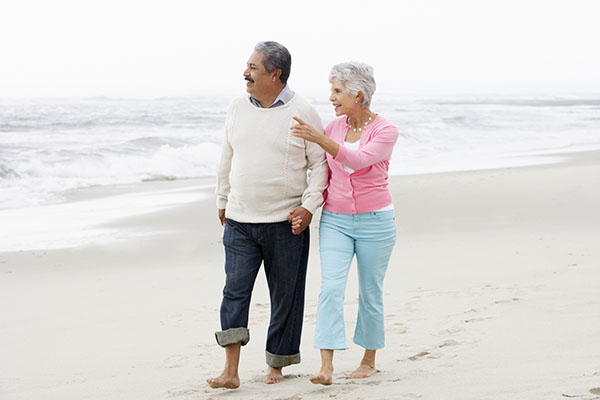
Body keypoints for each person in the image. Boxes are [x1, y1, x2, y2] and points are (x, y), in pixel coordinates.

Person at [207, 41, 328, 389]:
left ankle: (277, 363)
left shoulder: (303, 111)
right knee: (234, 292)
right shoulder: (236, 107)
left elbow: (320, 165)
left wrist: (308, 206)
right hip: (241, 221)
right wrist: (222, 198)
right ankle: (230, 371)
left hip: (284, 223)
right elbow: (226, 156)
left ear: (275, 75)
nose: (245, 73)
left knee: (286, 297)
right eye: (247, 66)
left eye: (253, 68)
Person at [290, 61, 399, 385]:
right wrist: (306, 204)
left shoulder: (385, 131)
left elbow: (358, 158)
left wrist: (319, 139)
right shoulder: (333, 128)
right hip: (336, 220)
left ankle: (368, 360)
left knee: (370, 292)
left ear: (358, 94)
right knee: (331, 289)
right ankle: (326, 366)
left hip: (376, 222)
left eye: (337, 91)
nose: (331, 98)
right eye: (332, 90)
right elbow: (321, 171)